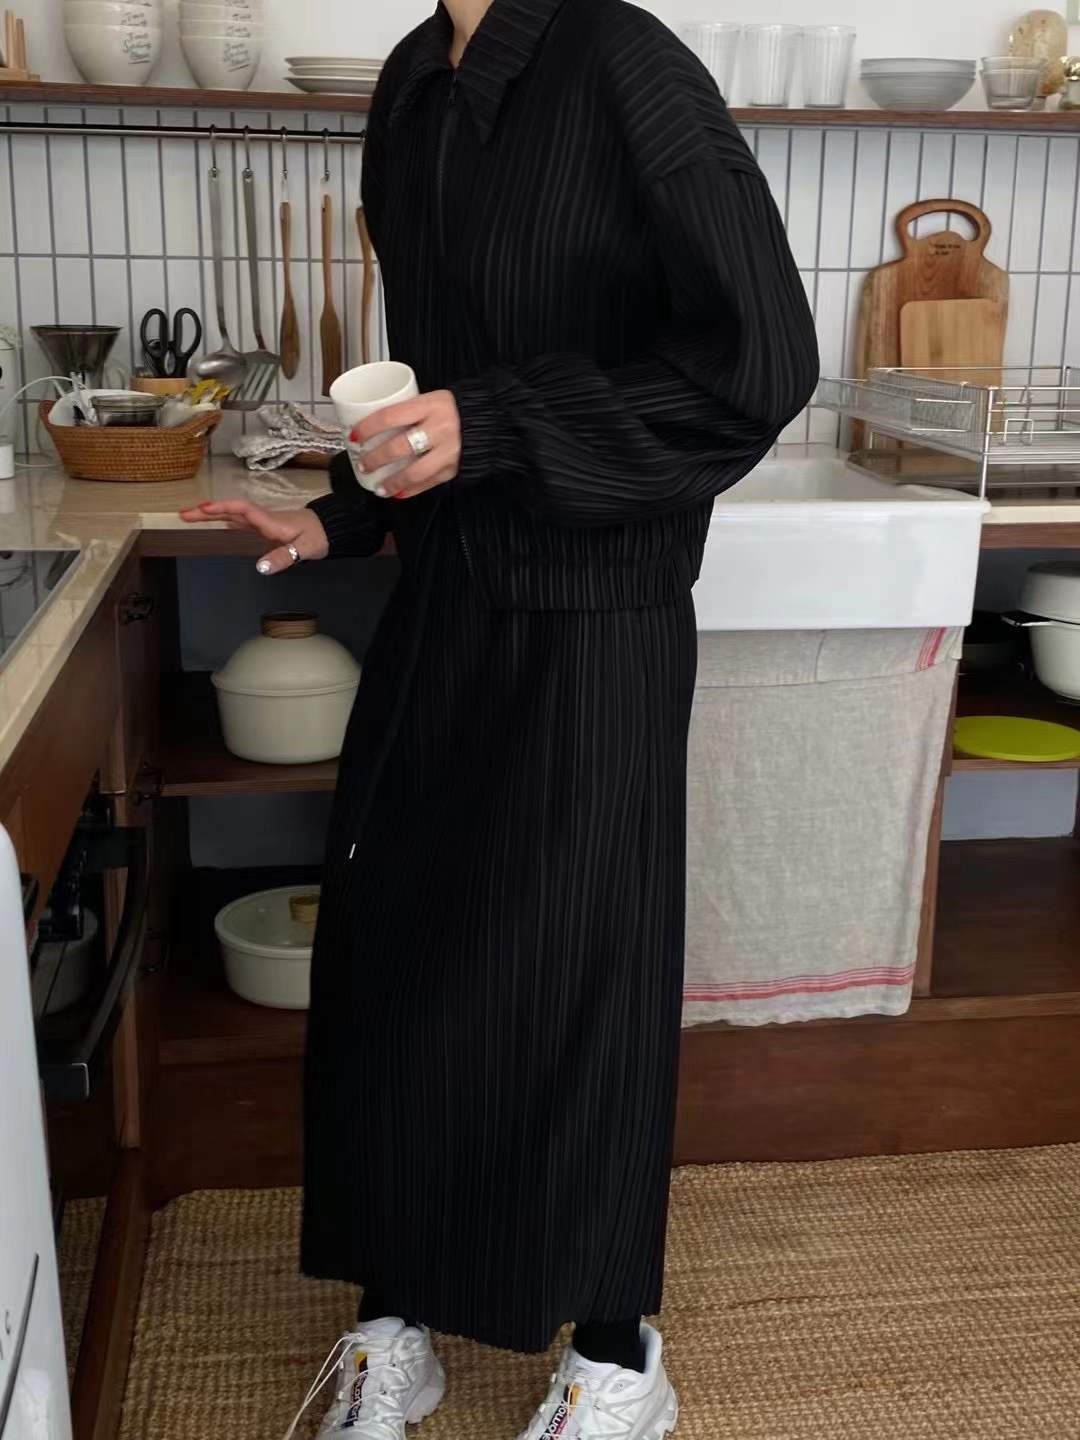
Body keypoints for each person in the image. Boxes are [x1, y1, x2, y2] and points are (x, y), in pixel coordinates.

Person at [184, 1, 818, 1435]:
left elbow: (761, 360)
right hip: (448, 599)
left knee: (578, 983)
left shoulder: (627, 65)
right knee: (396, 959)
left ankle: (617, 1352)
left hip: (599, 614)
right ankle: (396, 1314)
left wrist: (508, 424)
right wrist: (344, 516)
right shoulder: (414, 85)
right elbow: (439, 388)